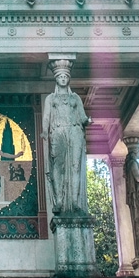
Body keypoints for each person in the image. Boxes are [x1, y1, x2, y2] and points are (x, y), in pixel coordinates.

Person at [43, 60, 91, 215]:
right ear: (56, 79)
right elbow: (46, 117)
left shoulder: (75, 98)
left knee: (75, 167)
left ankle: (75, 202)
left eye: (65, 76)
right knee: (58, 167)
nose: (63, 78)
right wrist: (44, 132)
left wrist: (88, 121)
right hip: (57, 132)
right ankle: (58, 202)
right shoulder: (50, 98)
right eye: (60, 76)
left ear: (68, 78)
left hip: (75, 131)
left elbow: (83, 117)